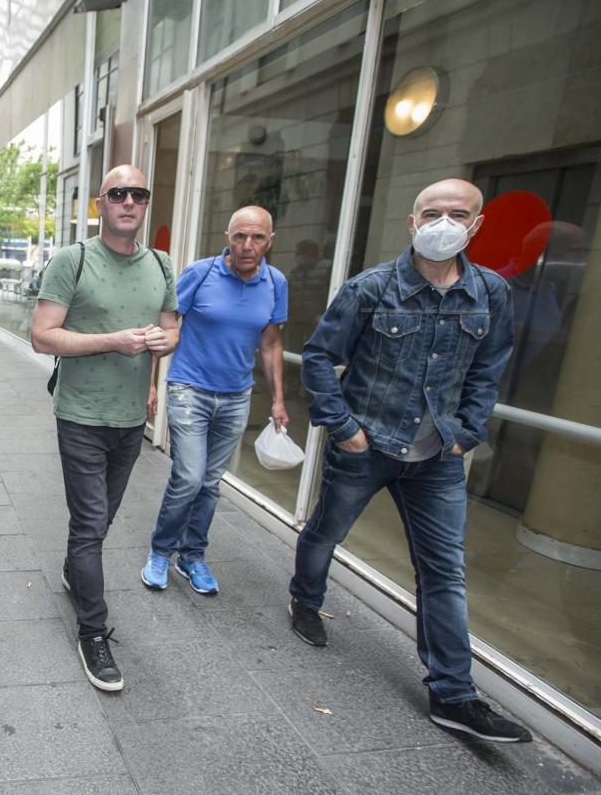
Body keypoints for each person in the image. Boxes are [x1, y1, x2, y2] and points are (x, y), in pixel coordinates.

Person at [290, 178, 529, 742]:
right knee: (325, 532)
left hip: (438, 457)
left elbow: (488, 369)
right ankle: (305, 600)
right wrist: (346, 431)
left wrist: (466, 433)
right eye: (432, 213)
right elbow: (321, 359)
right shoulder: (371, 288)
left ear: (477, 224)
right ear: (412, 221)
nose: (443, 223)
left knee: (444, 570)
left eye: (457, 213)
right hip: (368, 446)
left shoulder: (490, 293)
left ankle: (454, 694)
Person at [31, 165, 178, 692]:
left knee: (102, 520)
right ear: (100, 204)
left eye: (139, 193)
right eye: (118, 193)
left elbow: (171, 326)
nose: (129, 202)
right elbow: (43, 337)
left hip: (129, 418)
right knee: (91, 523)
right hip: (81, 416)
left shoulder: (161, 263)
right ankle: (93, 631)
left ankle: (76, 569)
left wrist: (165, 344)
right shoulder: (74, 260)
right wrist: (112, 341)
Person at [141, 206, 289, 594]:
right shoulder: (200, 274)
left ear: (269, 242)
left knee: (209, 482)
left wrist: (278, 400)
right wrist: (151, 384)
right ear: (228, 237)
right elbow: (165, 327)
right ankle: (160, 550)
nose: (247, 245)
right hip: (190, 388)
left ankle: (192, 557)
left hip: (237, 396)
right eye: (240, 236)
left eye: (257, 237)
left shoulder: (275, 282)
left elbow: (271, 344)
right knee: (188, 477)